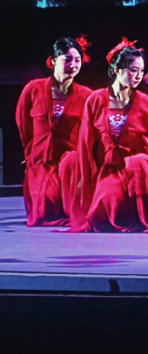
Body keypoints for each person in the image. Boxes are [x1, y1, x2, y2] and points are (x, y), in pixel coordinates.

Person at [73, 40, 148, 233]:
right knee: (107, 204)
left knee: (139, 163)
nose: (138, 76)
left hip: (140, 171)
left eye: (141, 71)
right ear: (117, 69)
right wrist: (84, 179)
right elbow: (85, 143)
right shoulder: (96, 100)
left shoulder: (142, 101)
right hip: (111, 169)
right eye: (133, 70)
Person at [15, 36, 92, 226]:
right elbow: (24, 124)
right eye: (67, 59)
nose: (73, 65)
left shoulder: (87, 96)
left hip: (71, 163)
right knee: (46, 207)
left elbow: (90, 133)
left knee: (71, 209)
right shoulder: (33, 89)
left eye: (77, 60)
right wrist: (32, 154)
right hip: (41, 162)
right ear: (53, 61)